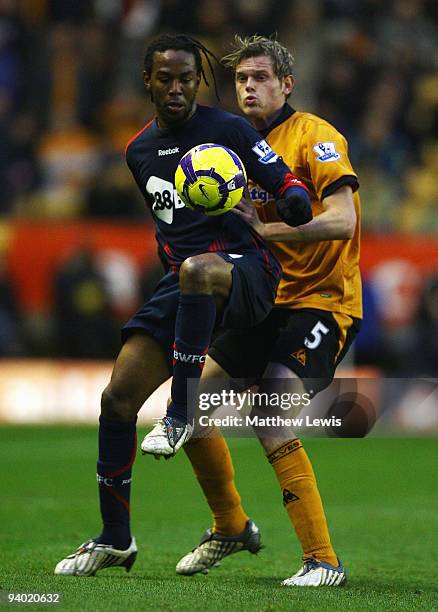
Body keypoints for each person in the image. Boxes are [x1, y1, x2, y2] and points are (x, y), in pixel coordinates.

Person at [54, 33, 312, 577]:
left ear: (199, 81)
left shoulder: (229, 130)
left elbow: (286, 182)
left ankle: (179, 412)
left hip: (247, 271)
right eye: (165, 78)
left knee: (199, 269)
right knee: (118, 398)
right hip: (183, 282)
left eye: (186, 78)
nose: (176, 88)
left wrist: (291, 202)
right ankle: (115, 538)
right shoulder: (138, 150)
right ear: (147, 81)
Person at [175, 35, 362, 587]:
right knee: (188, 404)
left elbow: (343, 220)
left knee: (269, 411)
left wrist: (264, 228)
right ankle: (230, 525)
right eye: (241, 79)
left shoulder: (315, 136)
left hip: (323, 300)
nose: (249, 87)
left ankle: (323, 561)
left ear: (286, 85)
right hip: (264, 299)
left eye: (260, 77)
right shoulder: (225, 148)